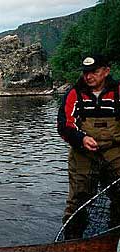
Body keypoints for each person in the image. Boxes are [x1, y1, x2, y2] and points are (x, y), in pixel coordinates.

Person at [57, 54, 120, 239]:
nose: (88, 76)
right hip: (82, 154)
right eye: (85, 72)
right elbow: (64, 126)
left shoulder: (117, 92)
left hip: (115, 152)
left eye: (94, 72)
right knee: (78, 200)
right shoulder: (74, 94)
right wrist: (81, 138)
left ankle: (113, 235)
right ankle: (72, 241)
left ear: (106, 71)